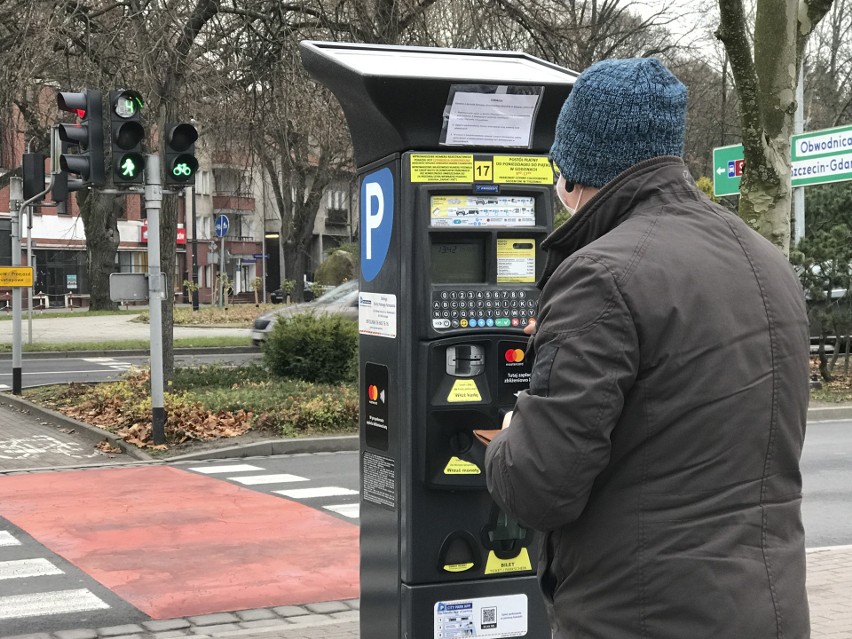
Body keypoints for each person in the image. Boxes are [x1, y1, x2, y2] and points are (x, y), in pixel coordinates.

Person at [484, 57, 810, 638]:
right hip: (767, 611)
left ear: (573, 173)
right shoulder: (768, 263)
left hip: (640, 618)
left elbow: (541, 487)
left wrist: (511, 434)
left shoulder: (599, 277)